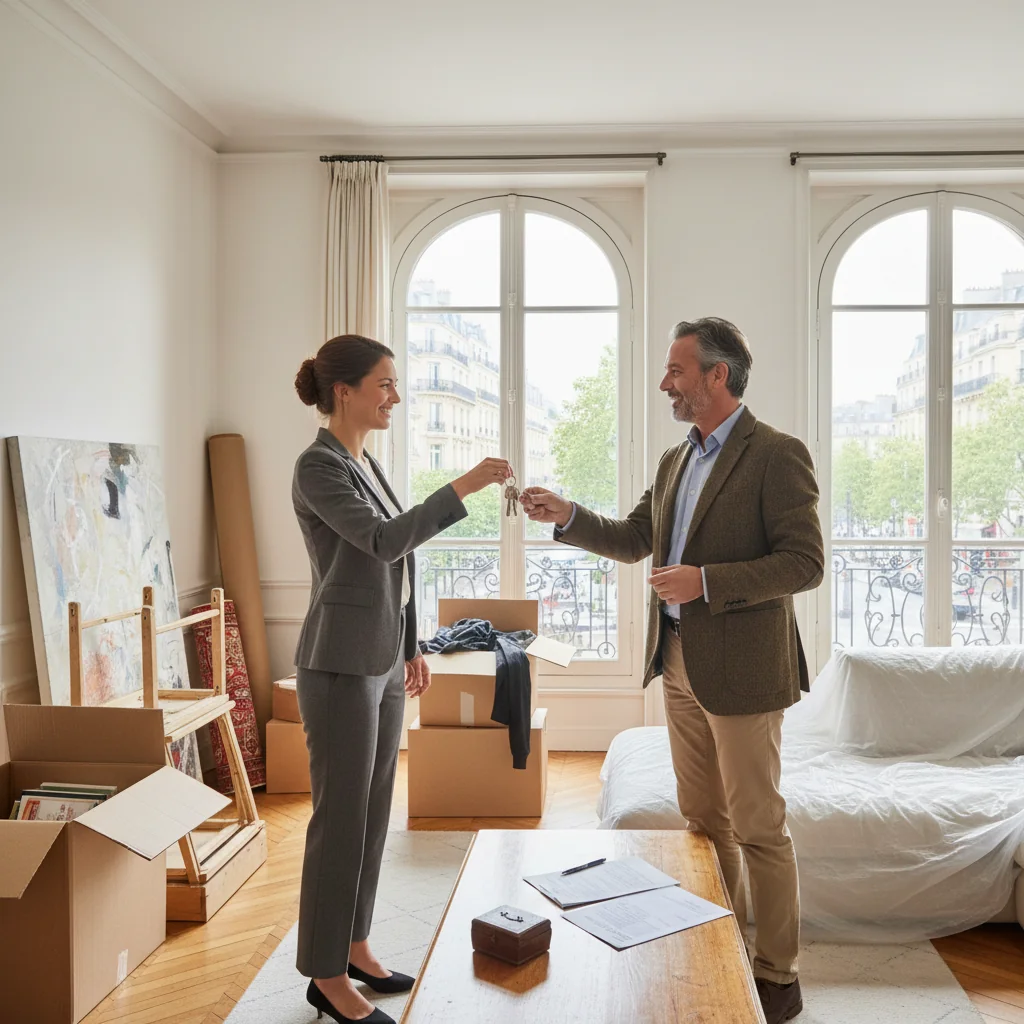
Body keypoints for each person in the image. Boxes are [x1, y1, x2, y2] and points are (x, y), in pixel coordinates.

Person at [521, 317, 823, 1024]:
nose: (666, 383)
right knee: (703, 820)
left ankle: (779, 975)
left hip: (744, 670)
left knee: (758, 824)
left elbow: (804, 562)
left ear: (718, 376)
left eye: (677, 371)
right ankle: (721, 944)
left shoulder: (777, 454)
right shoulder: (675, 458)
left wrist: (707, 582)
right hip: (679, 661)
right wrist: (568, 515)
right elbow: (634, 539)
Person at [292, 334, 511, 1024]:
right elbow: (386, 541)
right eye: (384, 384)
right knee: (340, 819)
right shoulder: (317, 467)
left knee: (374, 811)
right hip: (338, 664)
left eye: (395, 384)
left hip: (384, 658)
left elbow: (396, 567)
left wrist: (412, 645)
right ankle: (324, 974)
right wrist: (466, 484)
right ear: (345, 391)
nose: (394, 395)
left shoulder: (367, 464)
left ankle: (353, 945)